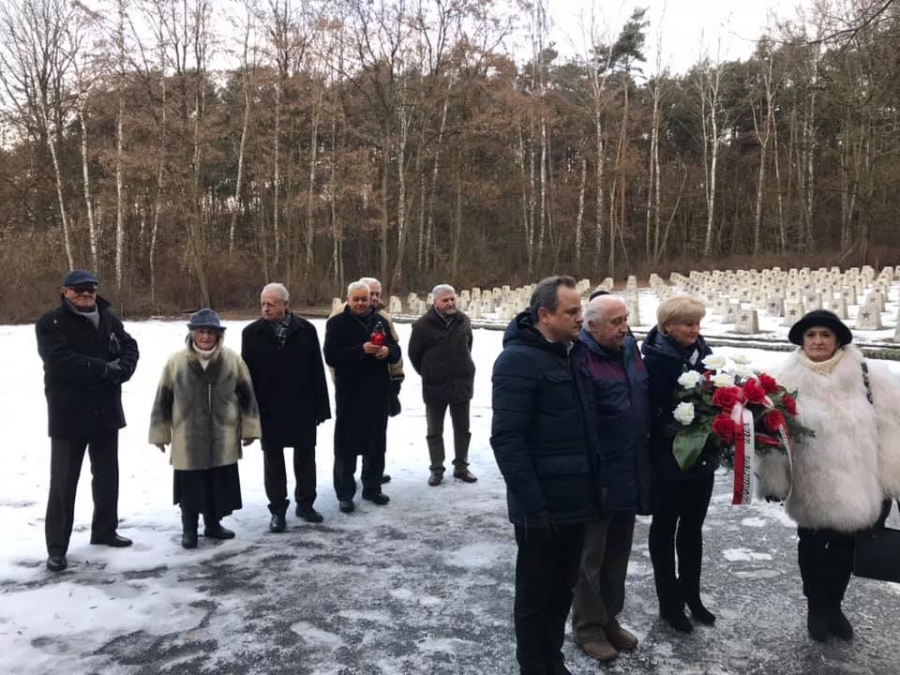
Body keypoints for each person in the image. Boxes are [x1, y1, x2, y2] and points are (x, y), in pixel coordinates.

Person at [755, 309, 900, 642]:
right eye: (811, 335)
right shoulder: (781, 380)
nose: (818, 341)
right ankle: (815, 607)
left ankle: (834, 606)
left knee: (846, 548)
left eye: (825, 335)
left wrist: (891, 481)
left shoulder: (869, 376)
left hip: (858, 483)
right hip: (812, 485)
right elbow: (771, 438)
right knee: (812, 548)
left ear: (837, 340)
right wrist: (775, 479)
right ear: (802, 340)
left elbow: (892, 432)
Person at [491, 275, 598, 675]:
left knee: (562, 588)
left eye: (580, 310)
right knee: (535, 596)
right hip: (540, 506)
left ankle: (552, 660)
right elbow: (508, 440)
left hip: (575, 498)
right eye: (571, 312)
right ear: (544, 315)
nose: (580, 318)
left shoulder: (571, 354)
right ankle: (534, 666)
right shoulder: (517, 360)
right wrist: (533, 508)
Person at [36, 270, 140, 572]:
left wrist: (123, 368)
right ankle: (57, 548)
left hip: (106, 411)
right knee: (63, 484)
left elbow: (130, 347)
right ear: (65, 291)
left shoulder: (108, 317)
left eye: (90, 290)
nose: (86, 294)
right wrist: (104, 369)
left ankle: (105, 530)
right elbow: (59, 361)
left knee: (107, 477)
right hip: (69, 415)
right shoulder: (50, 322)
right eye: (79, 290)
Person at [571, 295, 651, 661]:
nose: (624, 328)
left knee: (618, 552)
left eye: (625, 319)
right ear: (592, 326)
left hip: (630, 469)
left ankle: (609, 618)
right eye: (616, 322)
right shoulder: (579, 357)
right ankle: (587, 626)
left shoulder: (630, 349)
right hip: (597, 474)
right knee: (591, 556)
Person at [149, 309, 261, 549]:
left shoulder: (232, 360)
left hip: (223, 436)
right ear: (193, 333)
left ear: (218, 335)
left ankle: (213, 524)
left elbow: (247, 396)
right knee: (190, 487)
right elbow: (162, 399)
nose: (206, 337)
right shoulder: (176, 362)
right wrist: (160, 433)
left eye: (211, 332)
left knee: (217, 485)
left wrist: (250, 429)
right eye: (201, 331)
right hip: (187, 437)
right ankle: (189, 529)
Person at [641, 295, 717, 633]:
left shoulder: (705, 353)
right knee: (665, 528)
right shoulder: (654, 361)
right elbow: (651, 410)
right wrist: (680, 430)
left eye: (697, 322)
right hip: (668, 460)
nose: (695, 329)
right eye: (688, 323)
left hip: (702, 458)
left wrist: (714, 424)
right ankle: (669, 601)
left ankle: (691, 594)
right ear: (668, 326)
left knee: (692, 529)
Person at [242, 283, 331, 533]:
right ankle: (277, 511)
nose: (265, 308)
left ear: (286, 305)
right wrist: (248, 412)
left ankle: (306, 504)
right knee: (273, 462)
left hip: (302, 406)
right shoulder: (251, 333)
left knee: (305, 458)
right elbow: (246, 377)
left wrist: (321, 407)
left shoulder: (306, 330)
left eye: (271, 304)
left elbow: (317, 370)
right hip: (268, 408)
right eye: (263, 304)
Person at [324, 281, 401, 513]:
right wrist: (361, 350)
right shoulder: (337, 323)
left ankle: (372, 487)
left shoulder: (381, 321)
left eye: (364, 299)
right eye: (356, 299)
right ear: (348, 299)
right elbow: (331, 356)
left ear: (371, 300)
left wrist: (388, 351)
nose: (360, 303)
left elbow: (396, 349)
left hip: (377, 392)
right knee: (346, 446)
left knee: (376, 444)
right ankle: (345, 492)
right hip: (350, 393)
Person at [408, 284, 477, 486]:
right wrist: (430, 372)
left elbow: (468, 345)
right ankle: (437, 469)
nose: (450, 303)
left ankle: (461, 467)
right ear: (435, 301)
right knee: (434, 430)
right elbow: (414, 355)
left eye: (452, 299)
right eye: (445, 300)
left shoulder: (463, 320)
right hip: (435, 385)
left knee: (463, 428)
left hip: (461, 382)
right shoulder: (422, 325)